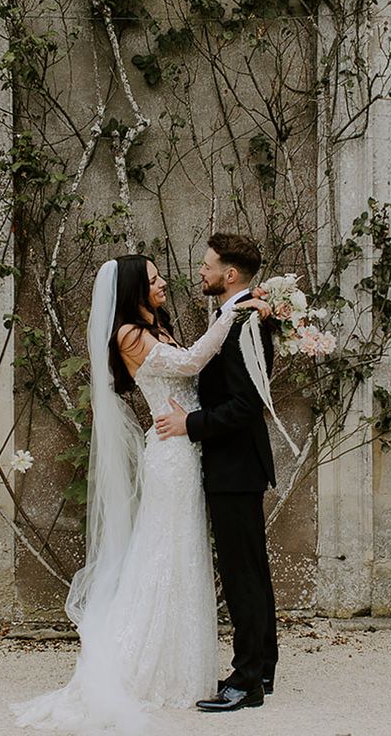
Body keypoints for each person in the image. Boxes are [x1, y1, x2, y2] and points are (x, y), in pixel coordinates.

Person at [12, 254, 269, 733]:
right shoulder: (129, 335)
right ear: (134, 289)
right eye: (153, 279)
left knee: (185, 554)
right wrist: (237, 310)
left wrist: (247, 312)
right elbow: (192, 361)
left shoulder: (157, 326)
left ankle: (187, 665)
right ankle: (145, 663)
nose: (164, 282)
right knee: (164, 553)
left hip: (189, 450)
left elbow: (193, 372)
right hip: (172, 455)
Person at [155, 232, 278, 713]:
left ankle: (245, 681)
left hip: (236, 466)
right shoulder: (242, 312)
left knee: (242, 573)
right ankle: (262, 669)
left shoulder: (245, 320)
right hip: (238, 465)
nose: (201, 273)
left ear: (230, 274)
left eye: (208, 266)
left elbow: (247, 405)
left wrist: (191, 424)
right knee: (252, 571)